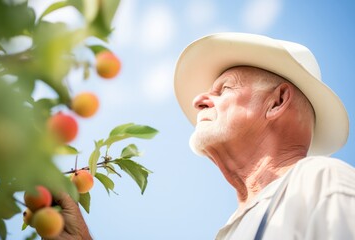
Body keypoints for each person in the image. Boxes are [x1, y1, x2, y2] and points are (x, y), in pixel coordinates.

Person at [50, 33, 355, 240]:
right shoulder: (230, 229)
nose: (199, 101)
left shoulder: (321, 182)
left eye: (225, 89)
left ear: (276, 102)